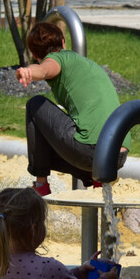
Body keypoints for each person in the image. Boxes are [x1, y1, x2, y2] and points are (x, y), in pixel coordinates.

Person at [17, 22, 131, 197]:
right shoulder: (85, 64)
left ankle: (41, 185)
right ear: (63, 42)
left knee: (35, 104)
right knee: (56, 137)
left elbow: (45, 69)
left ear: (33, 54)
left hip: (92, 151)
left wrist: (28, 72)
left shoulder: (58, 59)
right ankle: (96, 179)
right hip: (118, 155)